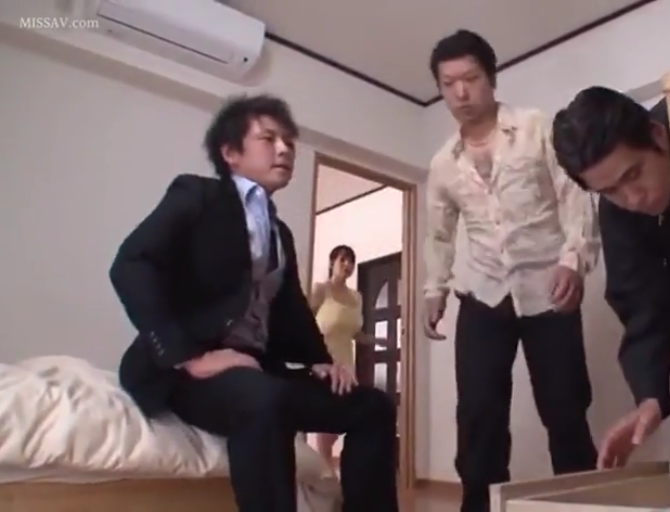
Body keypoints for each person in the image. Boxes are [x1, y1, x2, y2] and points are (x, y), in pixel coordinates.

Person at [110, 94, 399, 512]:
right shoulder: (196, 195)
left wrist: (320, 360)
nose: (284, 149)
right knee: (265, 399)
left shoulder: (279, 231)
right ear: (230, 152)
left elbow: (290, 305)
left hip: (258, 369)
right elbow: (131, 264)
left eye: (289, 142)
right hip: (189, 374)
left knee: (373, 407)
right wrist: (190, 357)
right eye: (268, 139)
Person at [424, 30, 601, 512]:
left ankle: (583, 505)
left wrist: (573, 261)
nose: (461, 92)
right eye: (448, 84)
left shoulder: (536, 127)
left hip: (549, 290)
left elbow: (574, 194)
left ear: (491, 77)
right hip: (481, 294)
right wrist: (433, 289)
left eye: (470, 78)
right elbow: (439, 232)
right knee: (477, 415)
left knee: (565, 409)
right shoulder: (443, 163)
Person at [550, 87, 670, 473]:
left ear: (658, 135)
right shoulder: (617, 210)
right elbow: (640, 300)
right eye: (610, 191)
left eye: (633, 174)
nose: (632, 199)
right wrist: (649, 396)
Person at [310, 244, 388, 468]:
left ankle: (325, 465)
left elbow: (355, 333)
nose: (347, 265)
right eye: (342, 260)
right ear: (332, 262)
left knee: (344, 415)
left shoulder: (357, 297)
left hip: (346, 363)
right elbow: (304, 322)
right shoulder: (321, 290)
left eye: (351, 261)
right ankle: (326, 467)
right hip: (325, 361)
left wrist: (375, 340)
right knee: (327, 416)